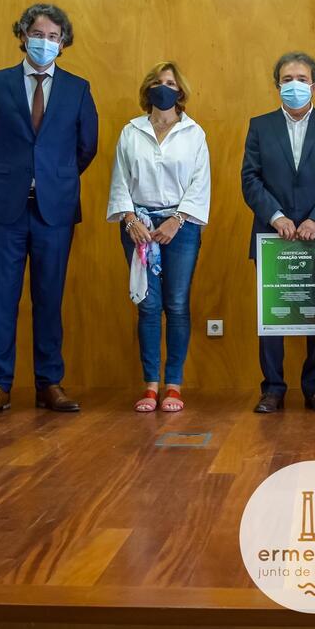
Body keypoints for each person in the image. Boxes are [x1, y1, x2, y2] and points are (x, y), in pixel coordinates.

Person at [0, 3, 99, 416]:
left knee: (49, 298)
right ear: (23, 36)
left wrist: (52, 178)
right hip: (5, 208)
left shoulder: (78, 88)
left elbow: (87, 146)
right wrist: (7, 172)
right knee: (1, 299)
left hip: (54, 211)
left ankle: (50, 383)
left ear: (63, 44)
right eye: (38, 34)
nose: (45, 42)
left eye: (53, 37)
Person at [241, 52, 315, 414]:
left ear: (314, 85)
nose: (294, 85)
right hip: (273, 236)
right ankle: (272, 388)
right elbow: (250, 179)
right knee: (272, 316)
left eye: (301, 79)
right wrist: (276, 217)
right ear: (277, 85)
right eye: (287, 79)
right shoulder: (260, 126)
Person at [107, 62, 211, 413]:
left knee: (177, 304)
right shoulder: (131, 131)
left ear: (180, 91)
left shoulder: (193, 133)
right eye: (157, 81)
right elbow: (120, 180)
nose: (163, 87)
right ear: (147, 89)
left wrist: (176, 220)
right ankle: (150, 385)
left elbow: (200, 183)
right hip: (137, 226)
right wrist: (129, 219)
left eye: (170, 82)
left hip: (181, 227)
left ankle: (174, 385)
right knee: (148, 306)